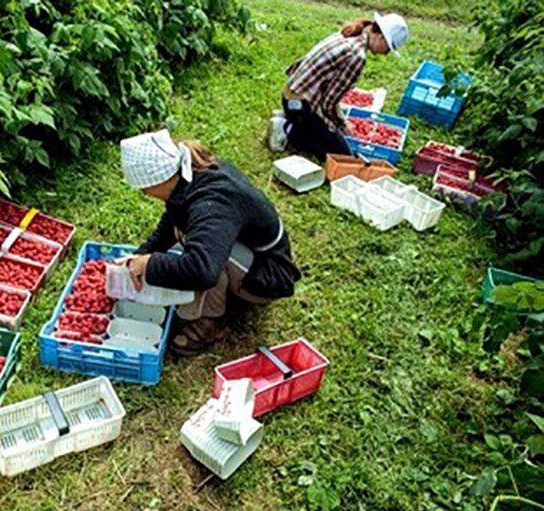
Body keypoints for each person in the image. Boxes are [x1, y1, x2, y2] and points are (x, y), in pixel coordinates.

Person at [119, 129, 302, 356]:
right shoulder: (188, 176)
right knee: (188, 236)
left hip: (269, 273)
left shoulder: (213, 204)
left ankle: (211, 321)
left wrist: (149, 263)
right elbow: (174, 217)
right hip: (245, 250)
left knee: (199, 254)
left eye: (145, 188)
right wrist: (143, 253)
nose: (145, 193)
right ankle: (216, 293)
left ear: (159, 179)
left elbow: (202, 270)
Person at [281, 12, 409, 161]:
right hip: (300, 107)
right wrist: (341, 124)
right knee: (342, 155)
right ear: (381, 37)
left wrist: (339, 123)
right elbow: (328, 104)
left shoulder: (351, 33)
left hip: (289, 96)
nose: (386, 53)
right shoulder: (357, 56)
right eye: (389, 48)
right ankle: (290, 130)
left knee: (331, 137)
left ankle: (297, 126)